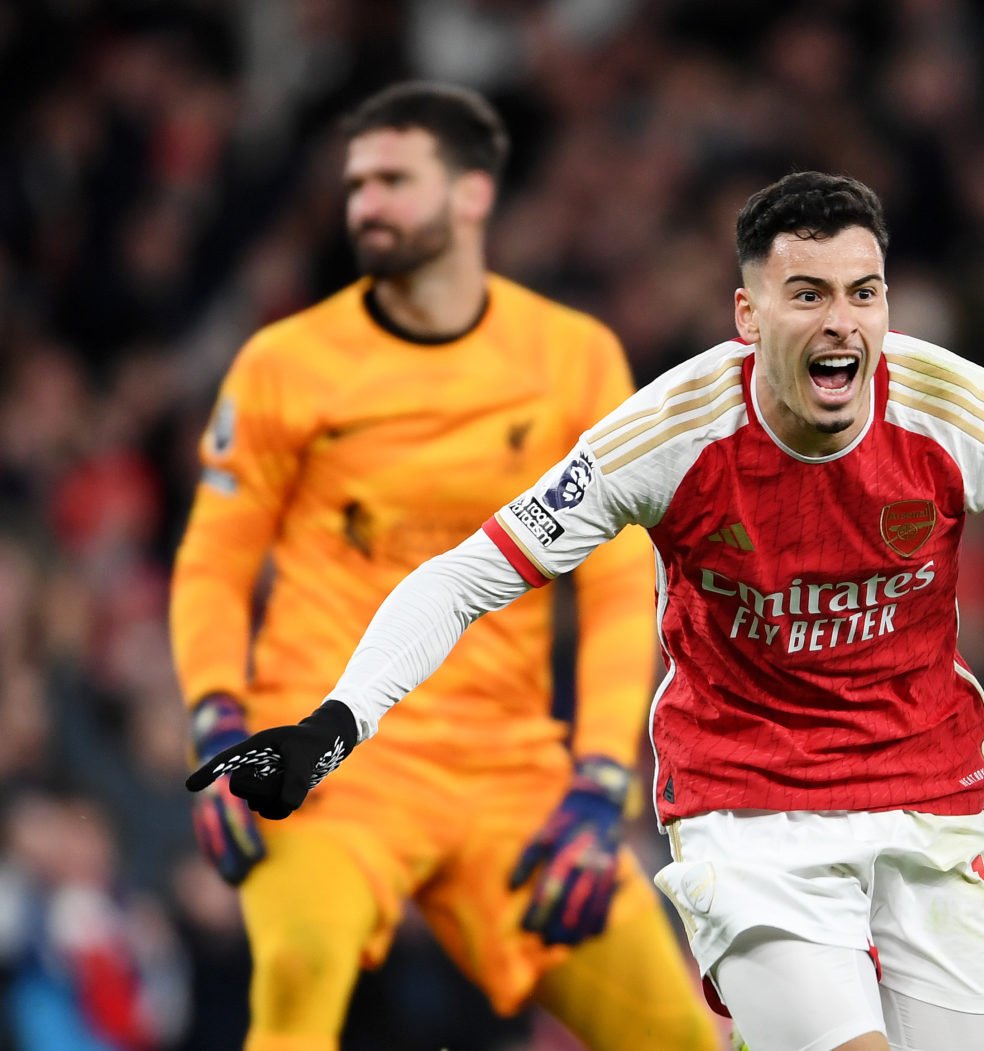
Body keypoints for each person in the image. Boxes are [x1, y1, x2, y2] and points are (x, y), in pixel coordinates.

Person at [188, 171, 984, 1051]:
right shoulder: (669, 434)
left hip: (930, 805)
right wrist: (337, 724)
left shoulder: (954, 411)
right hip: (749, 813)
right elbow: (470, 571)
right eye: (809, 295)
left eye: (865, 293)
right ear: (749, 316)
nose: (844, 322)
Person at [169, 82, 718, 1051]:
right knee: (294, 997)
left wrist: (599, 781)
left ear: (472, 194)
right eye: (356, 184)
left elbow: (621, 582)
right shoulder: (283, 363)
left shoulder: (572, 357)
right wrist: (215, 711)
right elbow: (214, 559)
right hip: (330, 764)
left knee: (684, 1033)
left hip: (507, 769)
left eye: (393, 180)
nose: (365, 204)